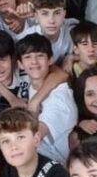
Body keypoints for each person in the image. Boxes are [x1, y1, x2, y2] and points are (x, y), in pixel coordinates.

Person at [16, 34, 78, 164]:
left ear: (50, 60)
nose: (34, 62)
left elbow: (33, 137)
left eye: (40, 55)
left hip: (54, 163)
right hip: (36, 156)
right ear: (20, 64)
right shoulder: (31, 83)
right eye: (27, 57)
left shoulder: (60, 98)